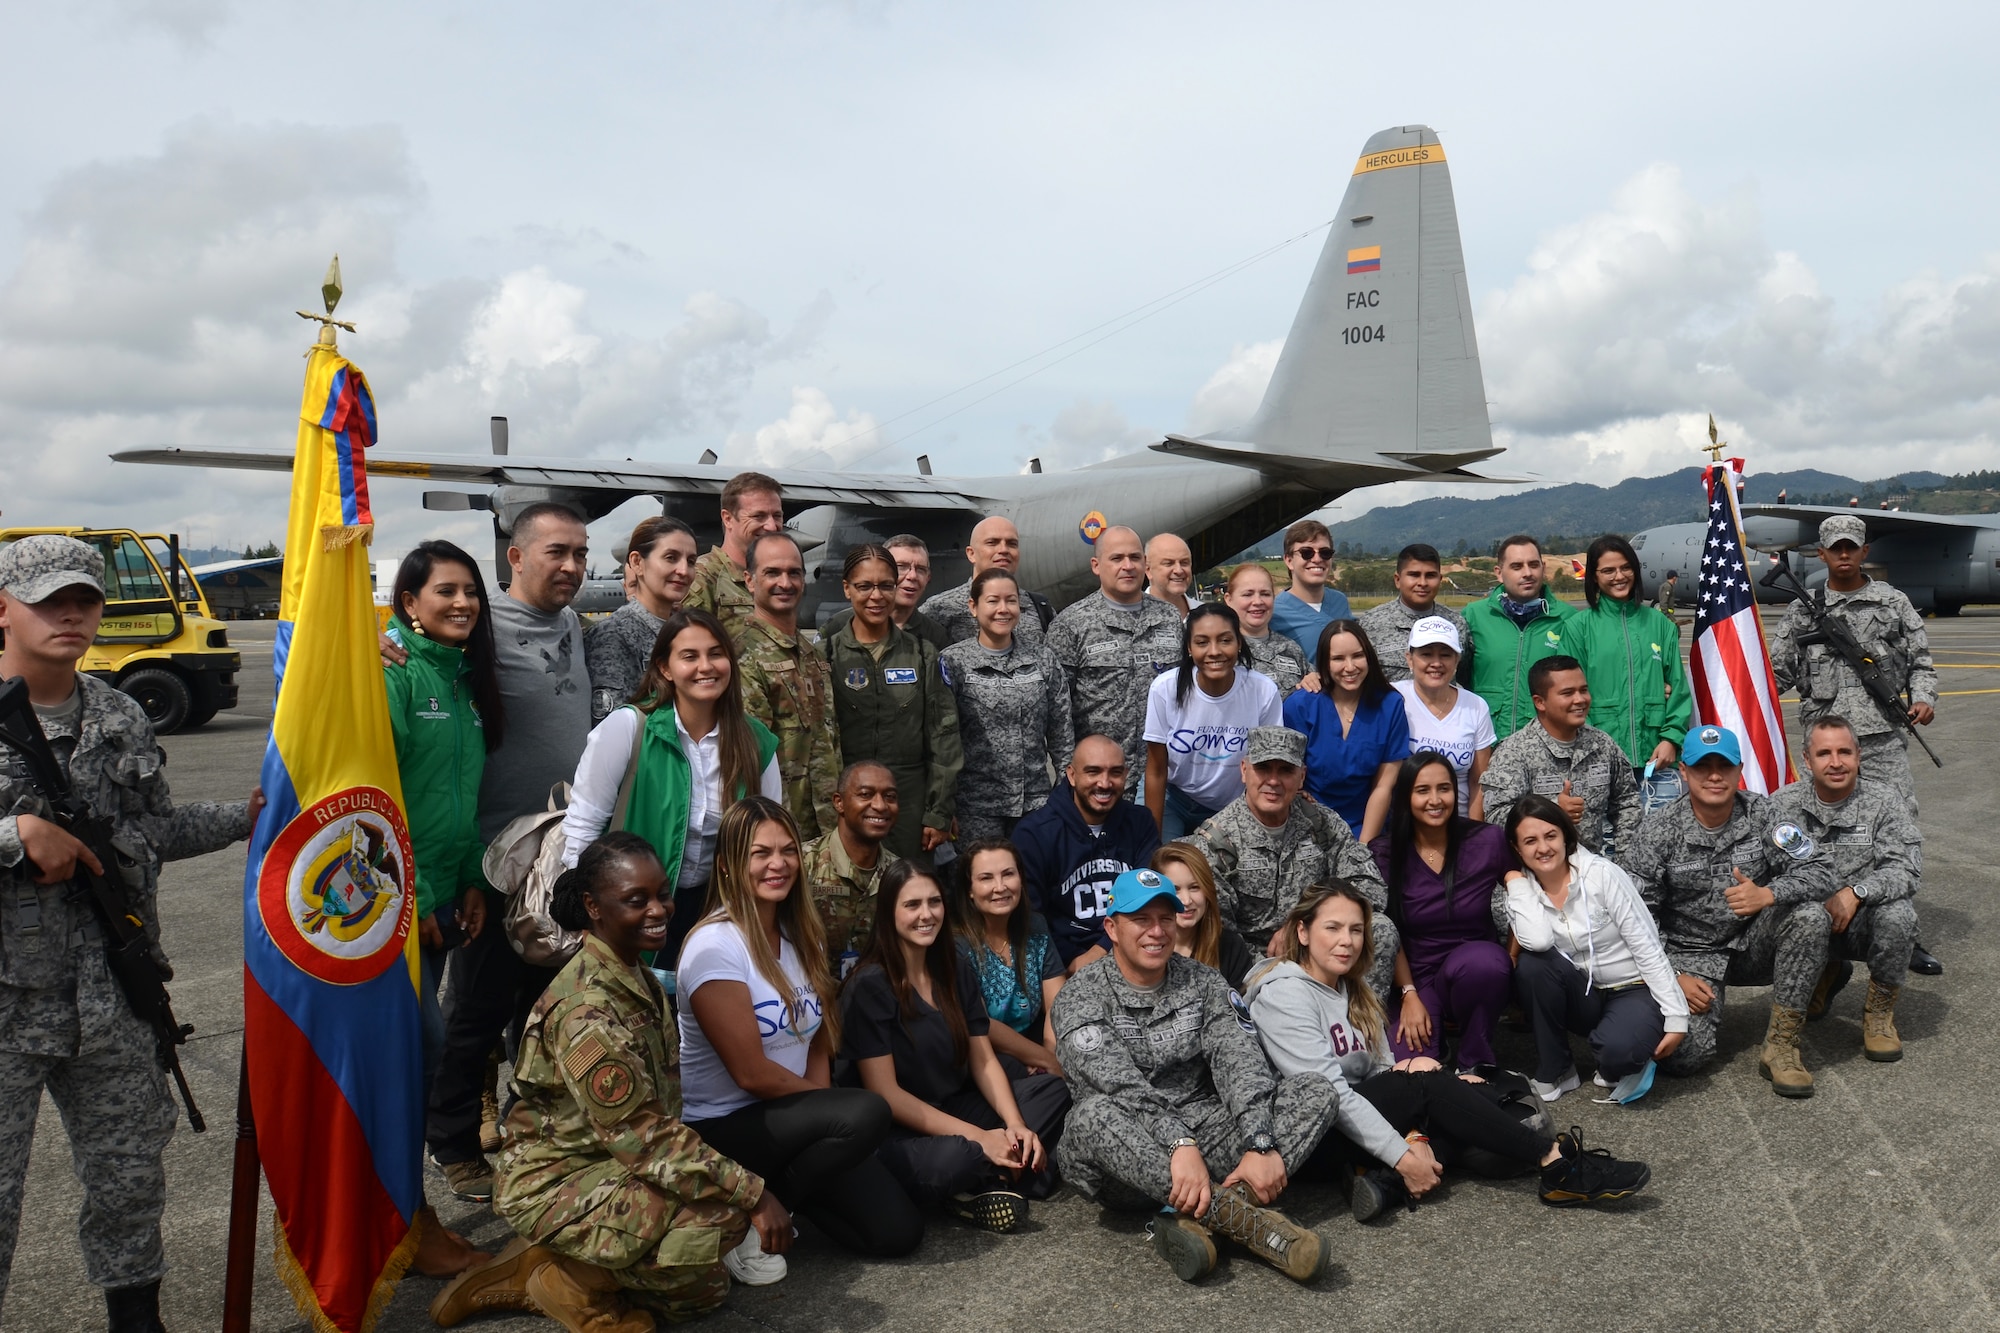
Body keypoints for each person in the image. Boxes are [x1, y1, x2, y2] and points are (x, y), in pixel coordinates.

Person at [0, 536, 259, 1330]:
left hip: (110, 995)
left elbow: (150, 831)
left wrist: (247, 820)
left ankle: (136, 1317)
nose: (71, 613)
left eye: (85, 598)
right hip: (6, 1005)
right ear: (3, 608)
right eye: (49, 600)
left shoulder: (117, 712)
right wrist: (14, 834)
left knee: (129, 1176)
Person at [454, 834, 784, 1327]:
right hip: (553, 1180)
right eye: (636, 900)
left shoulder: (638, 978)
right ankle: (569, 1282)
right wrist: (755, 1193)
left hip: (607, 1160)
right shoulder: (588, 1012)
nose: (659, 910)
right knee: (721, 1221)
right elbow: (647, 1139)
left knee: (703, 1288)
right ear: (593, 907)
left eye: (662, 895)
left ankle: (566, 1264)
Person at [1246, 882, 1651, 1222]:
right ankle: (1554, 1162)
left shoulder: (1352, 987)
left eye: (1355, 930)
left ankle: (1382, 1183)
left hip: (1354, 1120)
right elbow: (1331, 1095)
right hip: (1308, 1139)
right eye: (1332, 928)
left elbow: (1381, 1073)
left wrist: (1415, 1131)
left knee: (1470, 1096)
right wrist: (1404, 1152)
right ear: (1302, 932)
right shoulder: (1284, 992)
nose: (1346, 941)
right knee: (1428, 1087)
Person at [426, 501, 593, 1204]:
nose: (573, 566)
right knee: (477, 1007)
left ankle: (533, 1135)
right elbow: (424, 656)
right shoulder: (480, 627)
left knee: (543, 1006)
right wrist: (385, 643)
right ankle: (455, 1142)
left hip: (559, 854)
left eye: (581, 554)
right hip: (494, 856)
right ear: (515, 557)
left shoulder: (576, 626)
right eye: (557, 551)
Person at [1053, 869, 1335, 1285]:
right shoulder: (1080, 994)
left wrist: (1259, 1141)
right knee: (1089, 1117)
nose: (1156, 931)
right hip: (1128, 1157)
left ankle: (1200, 1218)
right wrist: (1177, 1143)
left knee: (1316, 1091)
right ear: (1112, 928)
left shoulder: (1202, 981)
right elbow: (1117, 1086)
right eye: (1140, 919)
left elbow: (1240, 1061)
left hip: (1205, 1134)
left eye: (1165, 918)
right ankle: (1252, 1227)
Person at [678, 800, 923, 1262]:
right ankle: (756, 1212)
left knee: (897, 1234)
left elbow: (817, 1040)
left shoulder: (800, 936)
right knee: (867, 1111)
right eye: (760, 853)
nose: (779, 864)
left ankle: (781, 1200)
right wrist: (831, 1112)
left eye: (789, 850)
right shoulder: (714, 947)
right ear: (728, 865)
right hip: (723, 1125)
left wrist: (824, 1120)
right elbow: (751, 1073)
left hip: (791, 1119)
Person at [385, 541, 506, 1278]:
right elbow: (382, 791)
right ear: (409, 603)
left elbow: (457, 803)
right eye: (446, 591)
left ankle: (406, 1216)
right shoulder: (396, 669)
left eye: (471, 592)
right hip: (393, 904)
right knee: (419, 1054)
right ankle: (403, 1217)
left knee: (421, 1052)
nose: (463, 603)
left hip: (441, 898)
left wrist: (467, 880)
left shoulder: (461, 683)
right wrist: (422, 898)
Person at [840, 860, 1070, 1229]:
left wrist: (1014, 1126)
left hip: (952, 1107)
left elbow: (983, 1060)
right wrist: (981, 1139)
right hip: (899, 1128)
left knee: (1052, 1090)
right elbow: (886, 1094)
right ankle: (996, 1173)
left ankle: (991, 1180)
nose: (927, 914)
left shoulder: (952, 968)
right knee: (957, 1157)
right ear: (888, 913)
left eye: (934, 902)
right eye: (912, 905)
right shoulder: (870, 985)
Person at [559, 608, 782, 968]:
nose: (705, 667)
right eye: (689, 656)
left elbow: (771, 841)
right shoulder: (629, 729)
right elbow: (584, 824)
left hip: (719, 913)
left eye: (716, 653)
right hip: (630, 910)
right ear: (665, 668)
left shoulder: (757, 742)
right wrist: (587, 917)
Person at [1768, 513, 1940, 976]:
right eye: (1834, 548)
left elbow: (1921, 661)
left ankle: (1899, 929)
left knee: (1897, 829)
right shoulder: (1803, 609)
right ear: (1821, 555)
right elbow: (1775, 674)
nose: (1843, 555)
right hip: (1825, 745)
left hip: (1881, 738)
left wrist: (1922, 698)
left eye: (1851, 547)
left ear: (1865, 552)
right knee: (1816, 835)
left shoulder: (1893, 602)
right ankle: (1822, 928)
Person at [1623, 726, 1837, 1096]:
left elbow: (1822, 870)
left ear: (1739, 770)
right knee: (1683, 1059)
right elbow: (1635, 915)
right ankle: (1820, 970)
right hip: (1690, 956)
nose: (1715, 776)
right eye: (1702, 766)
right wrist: (1669, 975)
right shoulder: (1658, 830)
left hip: (1752, 944)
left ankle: (1782, 1046)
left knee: (1809, 916)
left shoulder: (1764, 814)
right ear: (1684, 773)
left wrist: (1768, 894)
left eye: (1724, 765)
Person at [1501, 796, 1688, 1104]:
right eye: (1530, 841)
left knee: (1619, 1055)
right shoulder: (1522, 892)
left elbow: (1646, 945)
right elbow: (1537, 942)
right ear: (1517, 848)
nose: (1543, 848)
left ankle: (1616, 1048)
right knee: (1533, 966)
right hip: (1581, 994)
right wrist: (1516, 883)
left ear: (1565, 835)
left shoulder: (1602, 874)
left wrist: (1676, 1016)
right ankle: (1558, 1068)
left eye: (1550, 836)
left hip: (1630, 989)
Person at [1184, 727, 1395, 995]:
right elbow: (1219, 934)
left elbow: (1370, 886)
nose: (1273, 781)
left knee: (1380, 929)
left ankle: (1359, 1026)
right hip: (1256, 962)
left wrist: (1309, 918)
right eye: (1263, 769)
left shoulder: (1321, 823)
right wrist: (1288, 972)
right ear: (1244, 770)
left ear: (1302, 777)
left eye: (1285, 770)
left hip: (1321, 943)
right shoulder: (1216, 840)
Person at [1769, 716, 1920, 1061]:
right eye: (1824, 753)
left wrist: (1856, 893)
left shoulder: (1885, 800)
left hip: (1860, 919)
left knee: (1900, 915)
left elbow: (1906, 870)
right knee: (1803, 917)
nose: (1835, 762)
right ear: (1807, 760)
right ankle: (1824, 971)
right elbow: (1767, 873)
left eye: (1844, 752)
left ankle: (1879, 1016)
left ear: (1859, 755)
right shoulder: (1782, 805)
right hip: (1805, 922)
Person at [1368, 755, 1512, 1071]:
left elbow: (1525, 894)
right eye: (1423, 791)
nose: (1435, 800)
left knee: (1487, 965)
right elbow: (1386, 930)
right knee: (1411, 1069)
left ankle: (1476, 1061)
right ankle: (1436, 1044)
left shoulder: (1487, 840)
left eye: (1444, 789)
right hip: (1413, 977)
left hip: (1472, 965)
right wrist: (1407, 994)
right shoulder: (1384, 853)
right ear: (1405, 797)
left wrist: (1512, 957)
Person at [823, 545, 963, 863]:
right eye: (864, 586)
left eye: (886, 585)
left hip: (909, 804)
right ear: (847, 588)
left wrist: (938, 813)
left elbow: (945, 738)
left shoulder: (923, 655)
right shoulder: (827, 657)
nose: (877, 596)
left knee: (912, 895)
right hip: (848, 803)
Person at [1046, 525, 1183, 796]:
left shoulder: (1170, 618)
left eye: (1135, 558)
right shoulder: (1071, 624)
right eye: (1117, 558)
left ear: (1145, 564)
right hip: (1099, 778)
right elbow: (1056, 709)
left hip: (1164, 773)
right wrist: (1069, 773)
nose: (1128, 566)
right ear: (1096, 566)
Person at [940, 568, 1073, 844]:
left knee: (1033, 883)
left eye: (1011, 601)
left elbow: (1062, 732)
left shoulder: (1042, 659)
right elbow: (941, 740)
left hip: (1035, 805)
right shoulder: (953, 662)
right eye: (993, 601)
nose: (1004, 609)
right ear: (973, 607)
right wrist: (943, 807)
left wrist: (1065, 794)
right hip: (974, 809)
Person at [1012, 735, 1161, 974]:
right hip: (1061, 962)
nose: (1104, 783)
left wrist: (1100, 951)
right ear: (1071, 775)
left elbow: (1147, 897)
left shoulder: (1141, 823)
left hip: (1132, 950)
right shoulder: (1034, 834)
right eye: (1093, 772)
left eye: (1115, 772)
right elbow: (1031, 917)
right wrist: (1064, 964)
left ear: (1126, 774)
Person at [734, 532, 840, 842]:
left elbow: (830, 740)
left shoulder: (812, 653)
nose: (786, 582)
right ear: (750, 581)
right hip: (778, 828)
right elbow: (751, 759)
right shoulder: (744, 656)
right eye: (772, 572)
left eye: (794, 572)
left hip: (826, 827)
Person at [1143, 604, 1282, 839]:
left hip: (1232, 805)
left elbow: (1269, 765)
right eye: (1202, 642)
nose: (1214, 651)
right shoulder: (1164, 689)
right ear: (1189, 647)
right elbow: (1156, 770)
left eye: (1225, 640)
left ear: (1239, 643)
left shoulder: (1263, 690)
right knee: (1165, 868)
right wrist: (1151, 843)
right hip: (1173, 798)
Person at [1480, 656, 1639, 856]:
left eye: (1583, 690)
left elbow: (1627, 803)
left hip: (1591, 876)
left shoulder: (1602, 745)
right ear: (1540, 702)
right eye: (1568, 693)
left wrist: (1625, 862)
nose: (1580, 699)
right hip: (1533, 877)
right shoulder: (1514, 752)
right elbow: (1495, 818)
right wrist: (1551, 811)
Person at [1559, 534, 1689, 775]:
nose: (1619, 576)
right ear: (1595, 577)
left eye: (1626, 568)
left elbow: (1679, 690)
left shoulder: (1661, 625)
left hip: (1655, 761)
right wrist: (1590, 749)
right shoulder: (1577, 628)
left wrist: (1671, 739)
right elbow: (1567, 694)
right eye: (1608, 570)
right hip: (1596, 762)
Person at [1282, 620, 1409, 841]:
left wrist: (1362, 849)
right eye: (1338, 658)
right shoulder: (1301, 705)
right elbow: (1285, 772)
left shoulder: (1390, 705)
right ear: (1324, 662)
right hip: (1309, 823)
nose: (1350, 667)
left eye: (1358, 655)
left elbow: (1383, 785)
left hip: (1368, 822)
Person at [953, 841, 1067, 1073]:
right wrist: (1045, 1060)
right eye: (986, 878)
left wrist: (1050, 1054)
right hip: (983, 1057)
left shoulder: (1035, 926)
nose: (1000, 886)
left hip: (1038, 1049)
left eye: (1008, 874)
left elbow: (1058, 1004)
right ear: (970, 890)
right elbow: (981, 1023)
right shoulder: (956, 944)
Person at [1462, 534, 1576, 741]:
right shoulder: (1473, 616)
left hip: (1544, 745)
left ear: (1543, 567)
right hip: (1487, 743)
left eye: (1534, 565)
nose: (1527, 573)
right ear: (1499, 573)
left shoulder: (1568, 619)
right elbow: (1458, 677)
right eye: (1517, 566)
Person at [585, 515, 698, 724]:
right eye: (671, 558)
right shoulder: (614, 635)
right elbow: (611, 729)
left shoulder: (688, 630)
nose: (683, 570)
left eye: (690, 561)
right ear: (637, 563)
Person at [800, 761, 899, 975]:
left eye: (890, 797)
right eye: (865, 794)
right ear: (839, 803)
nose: (880, 805)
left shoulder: (900, 875)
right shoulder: (801, 863)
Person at [1393, 617, 1493, 819]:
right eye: (1426, 654)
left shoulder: (1476, 706)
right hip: (1403, 825)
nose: (1436, 663)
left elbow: (1478, 783)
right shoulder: (1392, 698)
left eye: (1446, 655)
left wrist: (1474, 836)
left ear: (1457, 661)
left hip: (1459, 824)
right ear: (1409, 659)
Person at [920, 516, 1054, 647]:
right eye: (992, 543)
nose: (1003, 550)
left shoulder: (1039, 607)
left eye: (1011, 544)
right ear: (971, 554)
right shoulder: (941, 608)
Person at [686, 471, 785, 643]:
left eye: (777, 516)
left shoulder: (777, 578)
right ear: (728, 519)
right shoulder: (702, 578)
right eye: (758, 516)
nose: (771, 526)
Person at [1359, 544, 1470, 684]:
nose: (1422, 583)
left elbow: (1466, 677)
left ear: (1440, 580)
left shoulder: (1456, 624)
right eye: (1414, 575)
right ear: (1397, 580)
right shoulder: (1371, 624)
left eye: (1430, 575)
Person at [1153, 842, 1255, 990]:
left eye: (1195, 887)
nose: (1186, 901)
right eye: (1175, 890)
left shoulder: (1230, 946)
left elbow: (1238, 1010)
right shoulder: (1145, 947)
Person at [824, 534, 952, 650]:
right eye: (901, 567)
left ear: (928, 578)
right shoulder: (837, 626)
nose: (912, 576)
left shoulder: (936, 637)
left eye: (921, 569)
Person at [1223, 562, 1310, 698]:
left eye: (1265, 594)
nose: (1258, 601)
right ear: (1229, 600)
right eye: (1247, 594)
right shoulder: (1222, 651)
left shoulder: (1291, 648)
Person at [1269, 519, 1351, 654]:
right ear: (1289, 561)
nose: (1317, 559)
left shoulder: (1340, 601)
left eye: (1325, 552)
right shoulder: (1275, 612)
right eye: (1307, 552)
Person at [1145, 532, 1201, 616]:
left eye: (1184, 563)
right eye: (1168, 563)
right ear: (1148, 570)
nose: (1179, 570)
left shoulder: (1208, 616)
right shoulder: (1129, 619)